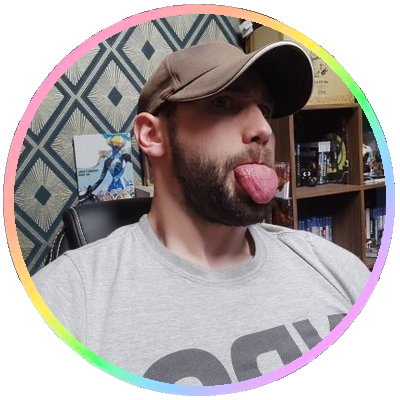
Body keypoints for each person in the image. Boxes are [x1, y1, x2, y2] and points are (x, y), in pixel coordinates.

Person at [32, 41, 370, 386]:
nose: (265, 130)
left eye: (265, 110)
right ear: (152, 135)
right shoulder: (69, 299)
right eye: (225, 103)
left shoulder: (334, 266)